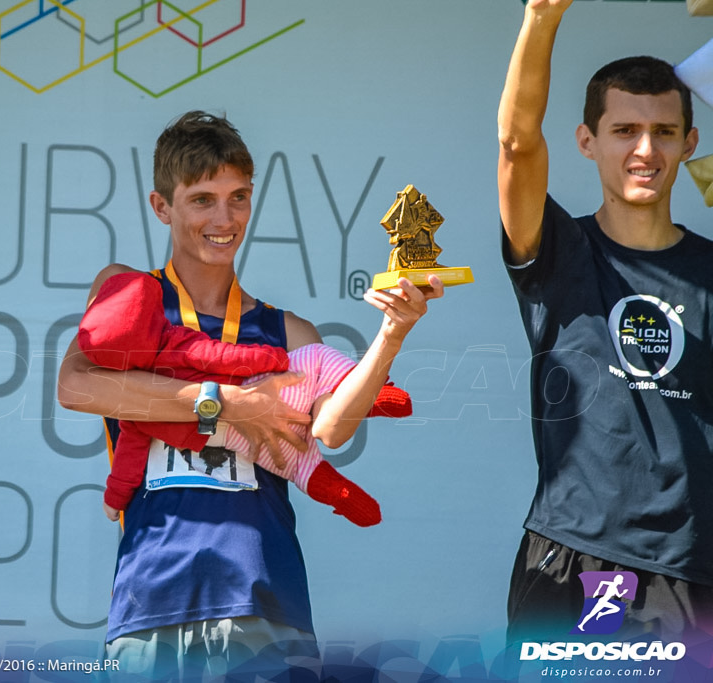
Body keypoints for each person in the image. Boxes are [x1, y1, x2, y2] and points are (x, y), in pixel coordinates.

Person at [58, 110, 441, 679]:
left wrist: (393, 335)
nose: (224, 217)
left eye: (238, 197)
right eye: (202, 199)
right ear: (161, 206)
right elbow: (75, 386)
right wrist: (228, 403)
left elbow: (332, 430)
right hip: (150, 599)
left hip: (265, 599)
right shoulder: (129, 297)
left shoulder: (288, 332)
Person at [498, 0, 713, 643]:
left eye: (664, 132)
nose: (645, 150)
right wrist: (541, 15)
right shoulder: (558, 248)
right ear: (586, 141)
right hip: (576, 556)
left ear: (688, 143)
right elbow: (516, 143)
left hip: (693, 570)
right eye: (624, 131)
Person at [78, 270, 415, 526]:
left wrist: (114, 499)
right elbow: (223, 356)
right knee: (314, 366)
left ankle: (362, 429)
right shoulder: (174, 348)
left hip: (239, 434)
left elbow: (128, 459)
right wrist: (276, 361)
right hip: (261, 402)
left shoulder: (138, 406)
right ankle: (373, 395)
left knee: (302, 463)